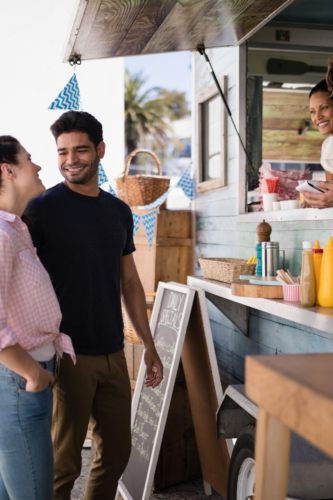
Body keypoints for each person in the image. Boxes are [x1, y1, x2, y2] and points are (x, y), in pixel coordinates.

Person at [26, 111, 163, 500]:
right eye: (63, 152)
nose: (71, 160)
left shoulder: (118, 211)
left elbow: (131, 282)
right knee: (64, 464)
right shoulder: (42, 208)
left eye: (80, 150)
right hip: (65, 353)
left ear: (100, 150)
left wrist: (148, 344)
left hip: (112, 350)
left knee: (117, 454)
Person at [0, 136, 75, 500]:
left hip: (24, 380)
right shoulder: (1, 234)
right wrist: (32, 373)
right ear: (7, 170)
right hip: (18, 381)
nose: (40, 166)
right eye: (29, 159)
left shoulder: (16, 228)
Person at [302, 62, 333, 208]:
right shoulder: (328, 146)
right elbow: (330, 190)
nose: (317, 117)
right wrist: (317, 198)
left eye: (324, 108)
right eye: (313, 111)